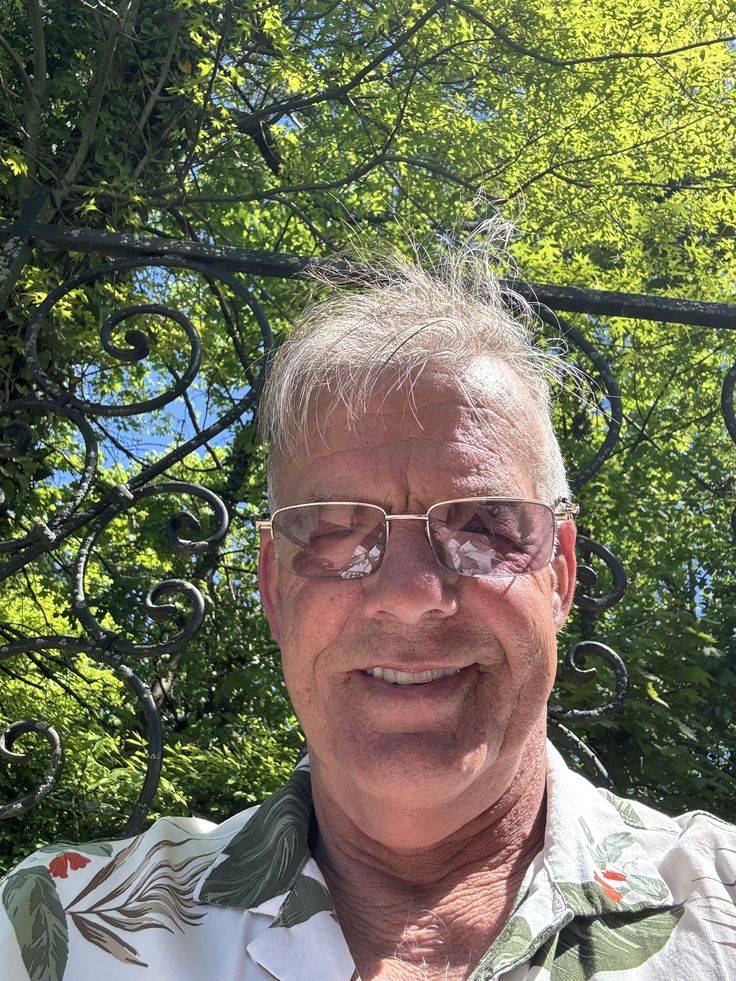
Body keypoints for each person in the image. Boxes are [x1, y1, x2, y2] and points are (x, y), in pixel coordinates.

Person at [1, 224, 734, 980]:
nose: (411, 596)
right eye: (335, 532)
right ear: (274, 586)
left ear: (560, 574)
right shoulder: (57, 933)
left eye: (483, 527)